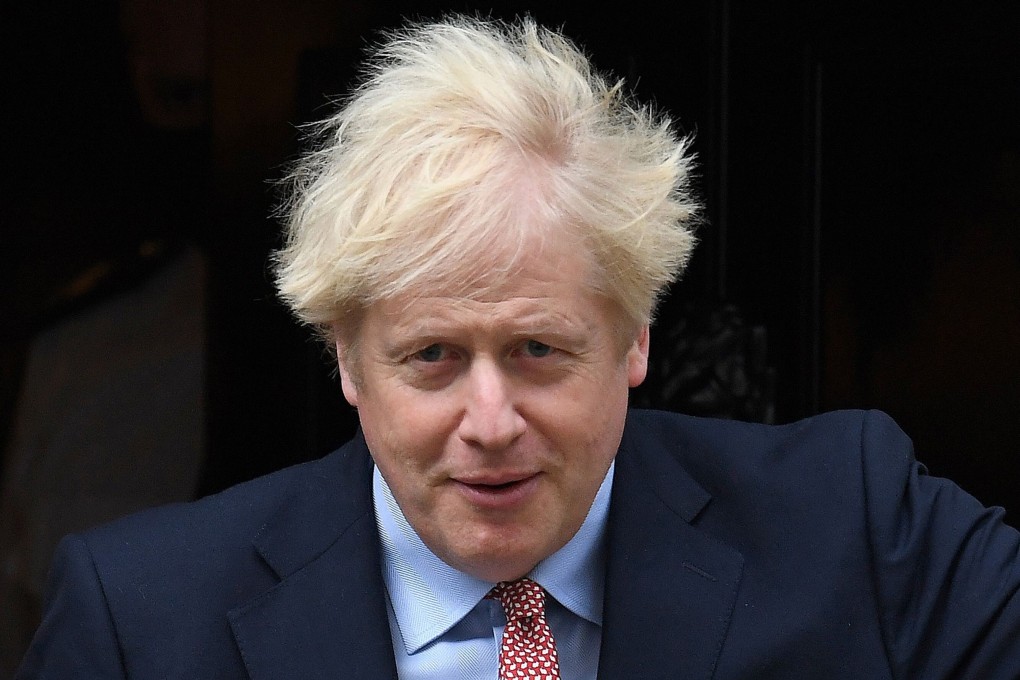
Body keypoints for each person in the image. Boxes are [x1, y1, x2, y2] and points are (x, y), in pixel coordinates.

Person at [17, 15, 1020, 679]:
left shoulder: (863, 531)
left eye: (539, 347)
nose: (490, 423)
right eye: (433, 356)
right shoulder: (140, 623)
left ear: (634, 336)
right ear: (347, 360)